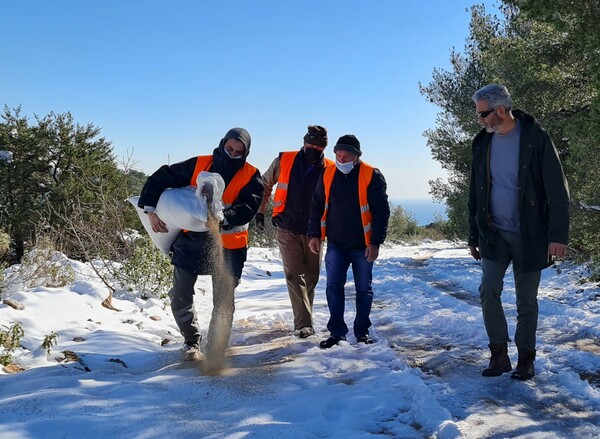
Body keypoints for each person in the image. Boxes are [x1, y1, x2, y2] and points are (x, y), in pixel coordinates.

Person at [138, 128, 263, 368]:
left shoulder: (251, 175)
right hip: (193, 241)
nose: (233, 154)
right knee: (180, 294)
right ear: (223, 143)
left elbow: (249, 206)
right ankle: (191, 341)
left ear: (246, 152)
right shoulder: (199, 163)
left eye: (239, 151)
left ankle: (216, 349)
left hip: (229, 245)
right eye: (230, 149)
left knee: (224, 301)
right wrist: (150, 208)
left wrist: (223, 217)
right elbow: (162, 177)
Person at [468, 84, 569, 380]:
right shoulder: (481, 143)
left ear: (500, 110)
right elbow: (475, 192)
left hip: (530, 234)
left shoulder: (535, 138)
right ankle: (499, 355)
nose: (480, 120)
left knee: (526, 301)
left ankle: (526, 358)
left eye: (483, 114)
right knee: (488, 291)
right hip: (493, 233)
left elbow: (557, 188)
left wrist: (558, 235)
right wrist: (473, 234)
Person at [308, 134, 390, 349]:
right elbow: (316, 205)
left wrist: (375, 242)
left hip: (363, 245)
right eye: (338, 155)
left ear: (356, 157)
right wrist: (314, 234)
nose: (341, 160)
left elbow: (381, 211)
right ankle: (337, 333)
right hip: (335, 243)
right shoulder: (326, 174)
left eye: (346, 156)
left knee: (364, 288)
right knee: (333, 287)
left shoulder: (372, 175)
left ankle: (362, 332)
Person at [256, 125, 334, 338]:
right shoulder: (284, 160)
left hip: (315, 232)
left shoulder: (330, 168)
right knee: (293, 275)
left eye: (317, 146)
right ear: (303, 142)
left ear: (323, 147)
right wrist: (260, 212)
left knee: (311, 277)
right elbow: (264, 184)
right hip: (287, 227)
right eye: (309, 144)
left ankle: (302, 319)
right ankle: (303, 325)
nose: (312, 148)